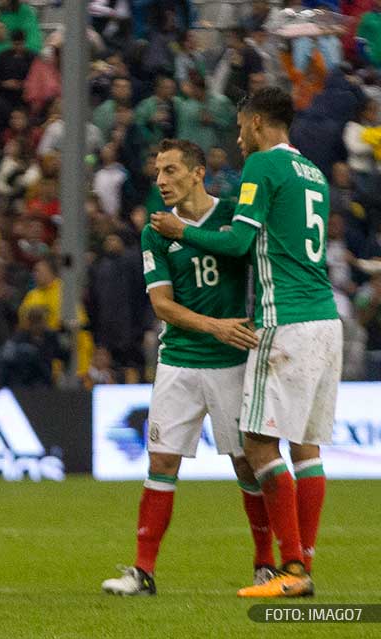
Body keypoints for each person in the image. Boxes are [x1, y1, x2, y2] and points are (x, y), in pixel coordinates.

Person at [151, 87, 340, 597]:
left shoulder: (262, 166)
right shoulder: (314, 173)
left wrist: (180, 232)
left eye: (239, 129)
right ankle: (301, 567)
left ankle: (293, 569)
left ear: (257, 124)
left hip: (286, 320)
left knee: (257, 444)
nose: (237, 140)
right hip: (327, 318)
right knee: (306, 446)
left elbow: (237, 241)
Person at [102, 139, 272, 596]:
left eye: (172, 171)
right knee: (161, 462)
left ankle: (266, 566)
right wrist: (215, 326)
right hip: (178, 361)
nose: (161, 181)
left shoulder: (234, 215)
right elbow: (162, 305)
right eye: (158, 172)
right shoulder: (155, 230)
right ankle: (142, 571)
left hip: (233, 363)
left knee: (246, 466)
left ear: (198, 173)